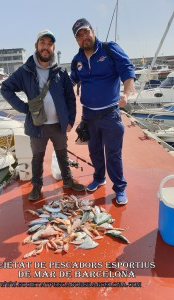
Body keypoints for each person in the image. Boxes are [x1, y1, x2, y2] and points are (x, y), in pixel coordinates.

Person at [1, 29, 85, 201]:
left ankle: (68, 181)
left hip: (59, 124)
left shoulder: (60, 72)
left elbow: (70, 97)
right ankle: (37, 186)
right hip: (37, 125)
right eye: (43, 43)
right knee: (37, 157)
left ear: (53, 48)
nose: (46, 47)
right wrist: (24, 108)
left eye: (49, 44)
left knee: (63, 154)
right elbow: (5, 88)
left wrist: (70, 120)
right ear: (36, 46)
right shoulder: (25, 71)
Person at [70, 18, 136, 205]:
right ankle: (99, 177)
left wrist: (126, 94)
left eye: (86, 32)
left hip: (110, 113)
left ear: (93, 30)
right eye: (79, 35)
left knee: (113, 154)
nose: (84, 37)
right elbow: (72, 82)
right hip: (89, 115)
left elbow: (128, 70)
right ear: (76, 40)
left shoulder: (109, 49)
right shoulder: (77, 60)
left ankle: (120, 188)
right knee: (94, 151)